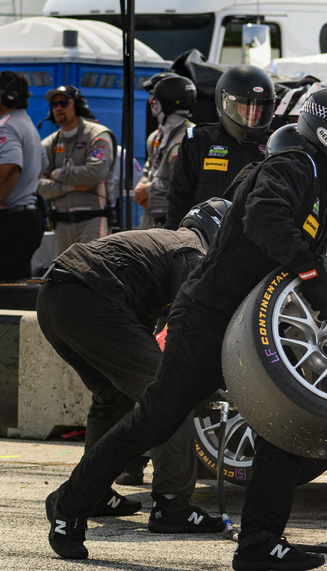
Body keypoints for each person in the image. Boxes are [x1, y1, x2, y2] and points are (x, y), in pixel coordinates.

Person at [44, 85, 327, 571]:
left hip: (254, 322)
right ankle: (70, 503)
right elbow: (265, 218)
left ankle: (259, 543)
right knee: (156, 420)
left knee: (284, 428)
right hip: (208, 317)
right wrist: (311, 273)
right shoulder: (294, 165)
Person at [36, 199, 231, 531]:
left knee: (112, 398)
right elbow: (191, 329)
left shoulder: (164, 243)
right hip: (88, 296)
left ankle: (92, 493)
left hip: (54, 298)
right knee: (171, 396)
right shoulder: (193, 252)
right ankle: (172, 504)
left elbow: (150, 331)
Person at [164, 65, 274, 229]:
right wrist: (174, 237)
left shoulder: (272, 146)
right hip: (201, 234)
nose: (254, 113)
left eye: (260, 107)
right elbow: (178, 199)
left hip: (247, 237)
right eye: (246, 105)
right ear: (226, 103)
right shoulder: (198, 140)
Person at [37, 85, 116, 255]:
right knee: (63, 272)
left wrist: (58, 175)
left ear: (79, 105)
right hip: (61, 223)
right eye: (54, 105)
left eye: (64, 103)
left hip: (92, 220)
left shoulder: (98, 135)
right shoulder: (48, 144)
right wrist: (71, 186)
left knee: (92, 269)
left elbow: (94, 174)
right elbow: (40, 186)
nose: (58, 108)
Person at [135, 74, 198, 228]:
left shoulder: (190, 139)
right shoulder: (155, 137)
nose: (150, 102)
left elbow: (179, 185)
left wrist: (147, 190)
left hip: (173, 221)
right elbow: (149, 171)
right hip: (151, 218)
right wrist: (142, 190)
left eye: (154, 96)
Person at [0, 70, 45, 279]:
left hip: (12, 221)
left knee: (7, 289)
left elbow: (10, 167)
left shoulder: (6, 126)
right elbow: (41, 167)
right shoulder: (27, 124)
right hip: (27, 218)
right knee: (17, 285)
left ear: (8, 96)